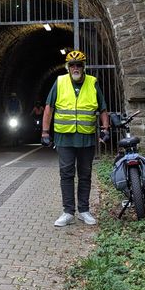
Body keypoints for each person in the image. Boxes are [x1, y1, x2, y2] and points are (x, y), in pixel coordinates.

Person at [41, 50, 110, 227]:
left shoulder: (92, 83)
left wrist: (105, 128)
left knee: (85, 174)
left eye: (79, 64)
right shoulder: (59, 82)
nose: (75, 68)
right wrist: (45, 132)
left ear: (83, 66)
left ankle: (84, 210)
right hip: (65, 137)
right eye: (72, 65)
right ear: (68, 67)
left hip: (86, 137)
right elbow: (49, 108)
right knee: (66, 173)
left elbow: (102, 108)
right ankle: (68, 211)